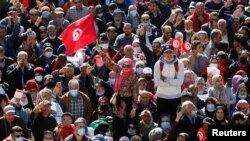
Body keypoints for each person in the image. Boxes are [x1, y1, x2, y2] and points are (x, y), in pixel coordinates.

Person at [154, 44, 185, 123]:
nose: (168, 54)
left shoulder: (180, 64)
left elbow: (180, 82)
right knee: (162, 120)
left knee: (176, 120)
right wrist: (173, 82)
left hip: (176, 97)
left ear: (173, 52)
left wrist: (165, 80)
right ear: (163, 53)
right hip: (162, 97)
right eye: (166, 52)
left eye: (170, 52)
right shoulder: (158, 64)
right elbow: (157, 82)